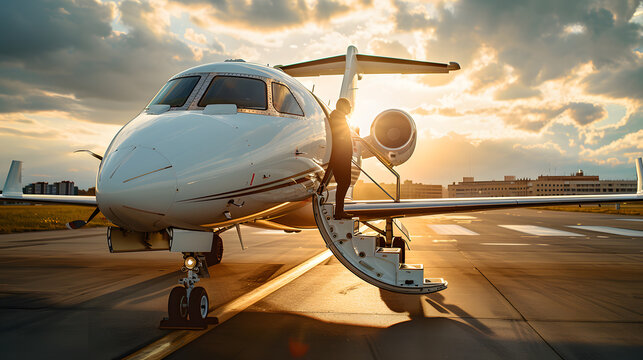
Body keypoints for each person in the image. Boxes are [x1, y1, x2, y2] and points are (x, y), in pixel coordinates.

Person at [318, 98, 353, 219]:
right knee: (344, 182)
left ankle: (340, 210)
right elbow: (340, 139)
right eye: (348, 106)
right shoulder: (338, 119)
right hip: (340, 157)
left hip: (340, 157)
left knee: (343, 183)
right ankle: (339, 212)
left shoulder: (337, 117)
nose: (350, 108)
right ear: (343, 107)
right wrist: (344, 154)